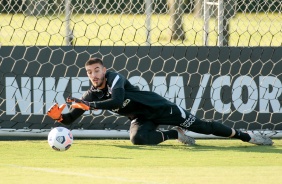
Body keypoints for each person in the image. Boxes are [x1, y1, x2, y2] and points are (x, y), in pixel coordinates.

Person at [47, 58, 273, 146]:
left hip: (161, 108)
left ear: (104, 70)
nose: (94, 75)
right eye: (89, 72)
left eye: (97, 70)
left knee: (204, 127)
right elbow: (69, 120)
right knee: (137, 139)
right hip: (141, 117)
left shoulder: (115, 78)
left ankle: (248, 136)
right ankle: (175, 135)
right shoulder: (90, 97)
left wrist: (91, 106)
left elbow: (117, 100)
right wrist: (59, 118)